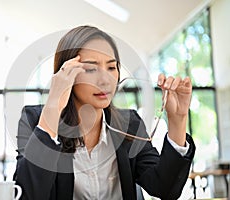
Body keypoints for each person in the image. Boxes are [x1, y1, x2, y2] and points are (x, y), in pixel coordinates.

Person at [13, 25, 196, 200]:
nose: (105, 80)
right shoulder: (36, 121)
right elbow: (27, 195)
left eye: (111, 67)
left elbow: (165, 189)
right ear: (65, 73)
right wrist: (53, 107)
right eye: (91, 69)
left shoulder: (129, 124)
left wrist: (178, 120)